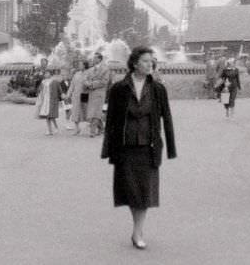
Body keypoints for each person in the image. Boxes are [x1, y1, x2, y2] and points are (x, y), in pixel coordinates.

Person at [101, 46, 176, 250]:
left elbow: (167, 118)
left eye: (152, 61)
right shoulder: (119, 88)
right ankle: (137, 228)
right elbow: (112, 121)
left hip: (148, 147)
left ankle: (137, 231)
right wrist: (108, 149)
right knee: (131, 192)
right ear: (134, 63)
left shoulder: (158, 89)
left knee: (144, 192)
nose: (150, 64)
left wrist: (170, 148)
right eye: (145, 61)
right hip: (125, 147)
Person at [85, 52, 110, 138]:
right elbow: (85, 80)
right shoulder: (90, 70)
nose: (93, 59)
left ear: (100, 59)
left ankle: (92, 131)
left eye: (95, 58)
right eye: (93, 58)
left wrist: (92, 84)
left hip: (99, 93)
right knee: (92, 111)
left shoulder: (105, 69)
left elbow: (104, 82)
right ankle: (102, 128)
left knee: (96, 112)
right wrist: (87, 84)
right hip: (91, 93)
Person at [35, 69, 62, 135]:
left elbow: (60, 91)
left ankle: (56, 127)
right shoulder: (43, 82)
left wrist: (61, 99)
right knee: (47, 116)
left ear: (51, 74)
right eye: (45, 73)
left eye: (48, 73)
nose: (46, 74)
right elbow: (39, 90)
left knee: (51, 116)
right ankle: (49, 130)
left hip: (52, 100)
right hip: (45, 100)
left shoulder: (55, 81)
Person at [69, 60, 89, 135]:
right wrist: (68, 94)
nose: (79, 66)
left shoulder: (89, 73)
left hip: (85, 95)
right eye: (79, 64)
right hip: (76, 96)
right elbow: (72, 85)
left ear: (84, 65)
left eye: (80, 64)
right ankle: (77, 128)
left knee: (88, 112)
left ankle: (99, 126)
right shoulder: (76, 74)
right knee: (75, 112)